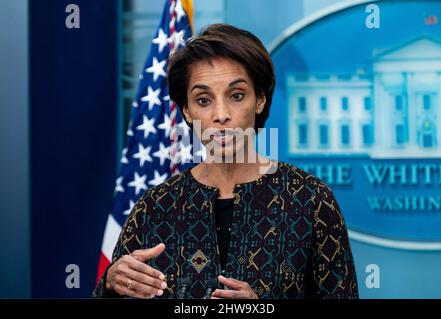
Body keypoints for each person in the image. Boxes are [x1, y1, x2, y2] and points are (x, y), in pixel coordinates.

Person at [93, 23, 358, 299]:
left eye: (236, 96)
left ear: (260, 101)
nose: (221, 115)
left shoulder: (311, 201)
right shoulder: (154, 208)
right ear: (186, 111)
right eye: (204, 100)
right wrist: (111, 286)